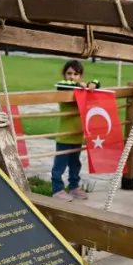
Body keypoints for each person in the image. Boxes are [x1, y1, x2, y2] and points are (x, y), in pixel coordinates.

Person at [53, 60, 100, 201]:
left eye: (76, 74)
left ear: (80, 75)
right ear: (64, 74)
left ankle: (74, 187)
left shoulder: (82, 90)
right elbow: (62, 85)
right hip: (64, 135)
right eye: (69, 73)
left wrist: (94, 84)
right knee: (59, 165)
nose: (72, 76)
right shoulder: (63, 86)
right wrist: (79, 85)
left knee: (75, 164)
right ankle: (57, 190)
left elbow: (97, 82)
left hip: (77, 135)